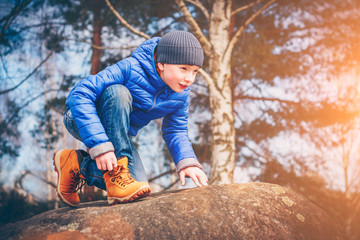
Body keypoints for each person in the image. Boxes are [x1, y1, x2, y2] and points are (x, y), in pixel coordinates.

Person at [53, 30, 208, 207]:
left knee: (138, 187)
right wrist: (100, 145)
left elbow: (175, 130)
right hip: (80, 119)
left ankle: (76, 165)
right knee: (118, 92)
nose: (189, 78)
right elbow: (80, 94)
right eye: (184, 69)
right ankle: (116, 172)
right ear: (162, 63)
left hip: (118, 136)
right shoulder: (131, 68)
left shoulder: (180, 95)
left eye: (195, 71)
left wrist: (187, 162)